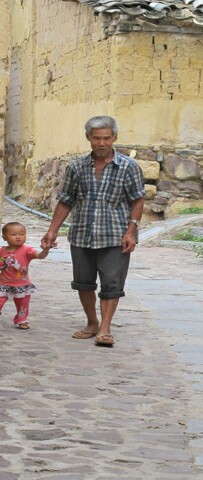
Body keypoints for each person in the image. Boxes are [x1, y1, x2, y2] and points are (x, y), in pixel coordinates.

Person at [41, 116, 145, 347]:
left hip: (115, 235)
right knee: (83, 282)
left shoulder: (129, 167)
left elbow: (137, 200)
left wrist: (131, 231)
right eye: (96, 138)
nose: (101, 143)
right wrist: (52, 231)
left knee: (112, 283)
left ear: (114, 138)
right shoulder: (77, 166)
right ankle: (92, 322)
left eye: (106, 138)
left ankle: (105, 328)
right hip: (82, 233)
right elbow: (66, 200)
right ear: (88, 138)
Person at [0, 222, 50, 329]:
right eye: (13, 235)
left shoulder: (27, 250)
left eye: (22, 234)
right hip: (3, 284)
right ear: (4, 237)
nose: (18, 237)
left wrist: (45, 250)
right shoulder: (2, 251)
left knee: (22, 304)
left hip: (21, 284)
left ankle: (21, 320)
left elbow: (40, 256)